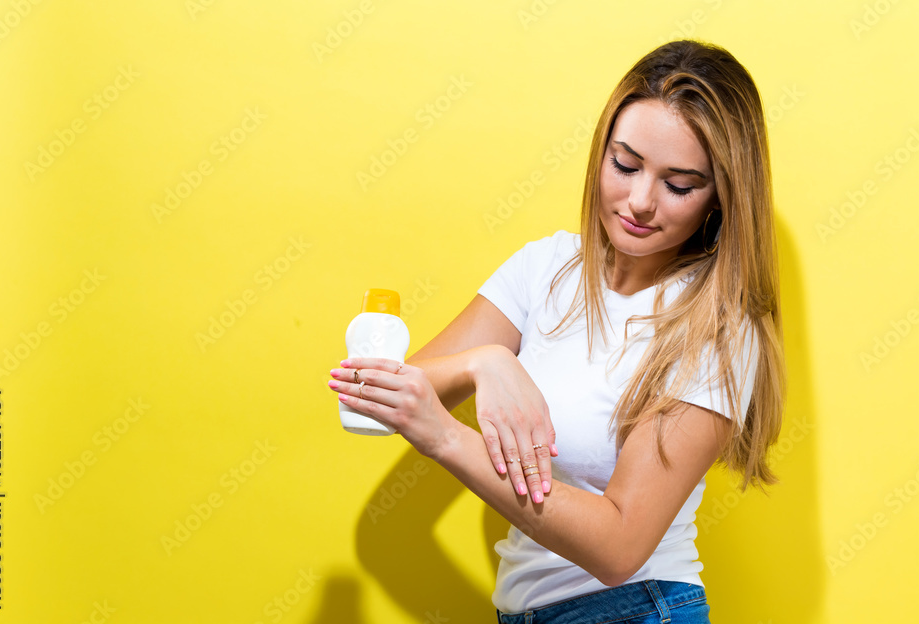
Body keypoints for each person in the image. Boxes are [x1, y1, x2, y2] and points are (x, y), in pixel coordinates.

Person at [327, 39, 785, 624]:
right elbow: (376, 394)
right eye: (624, 165)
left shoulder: (716, 327)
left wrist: (446, 437)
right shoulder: (546, 268)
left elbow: (618, 549)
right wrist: (486, 361)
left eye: (679, 184)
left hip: (635, 609)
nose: (640, 201)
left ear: (721, 198)